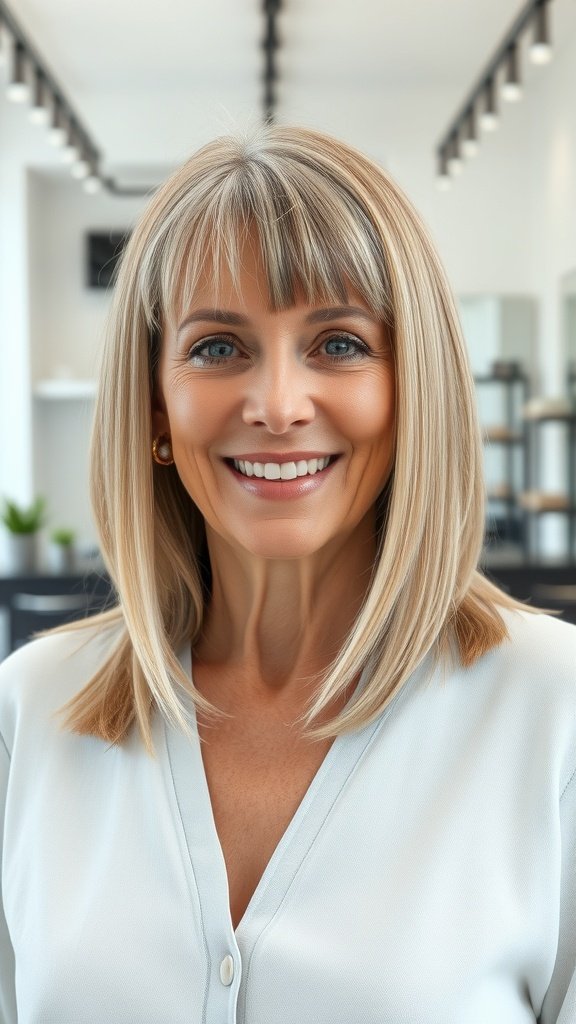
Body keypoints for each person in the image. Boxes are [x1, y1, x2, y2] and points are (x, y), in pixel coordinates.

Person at [0, 124, 574, 1024]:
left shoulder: (554, 711)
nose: (275, 406)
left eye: (339, 343)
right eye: (218, 347)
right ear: (157, 402)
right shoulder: (28, 712)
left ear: (411, 384)